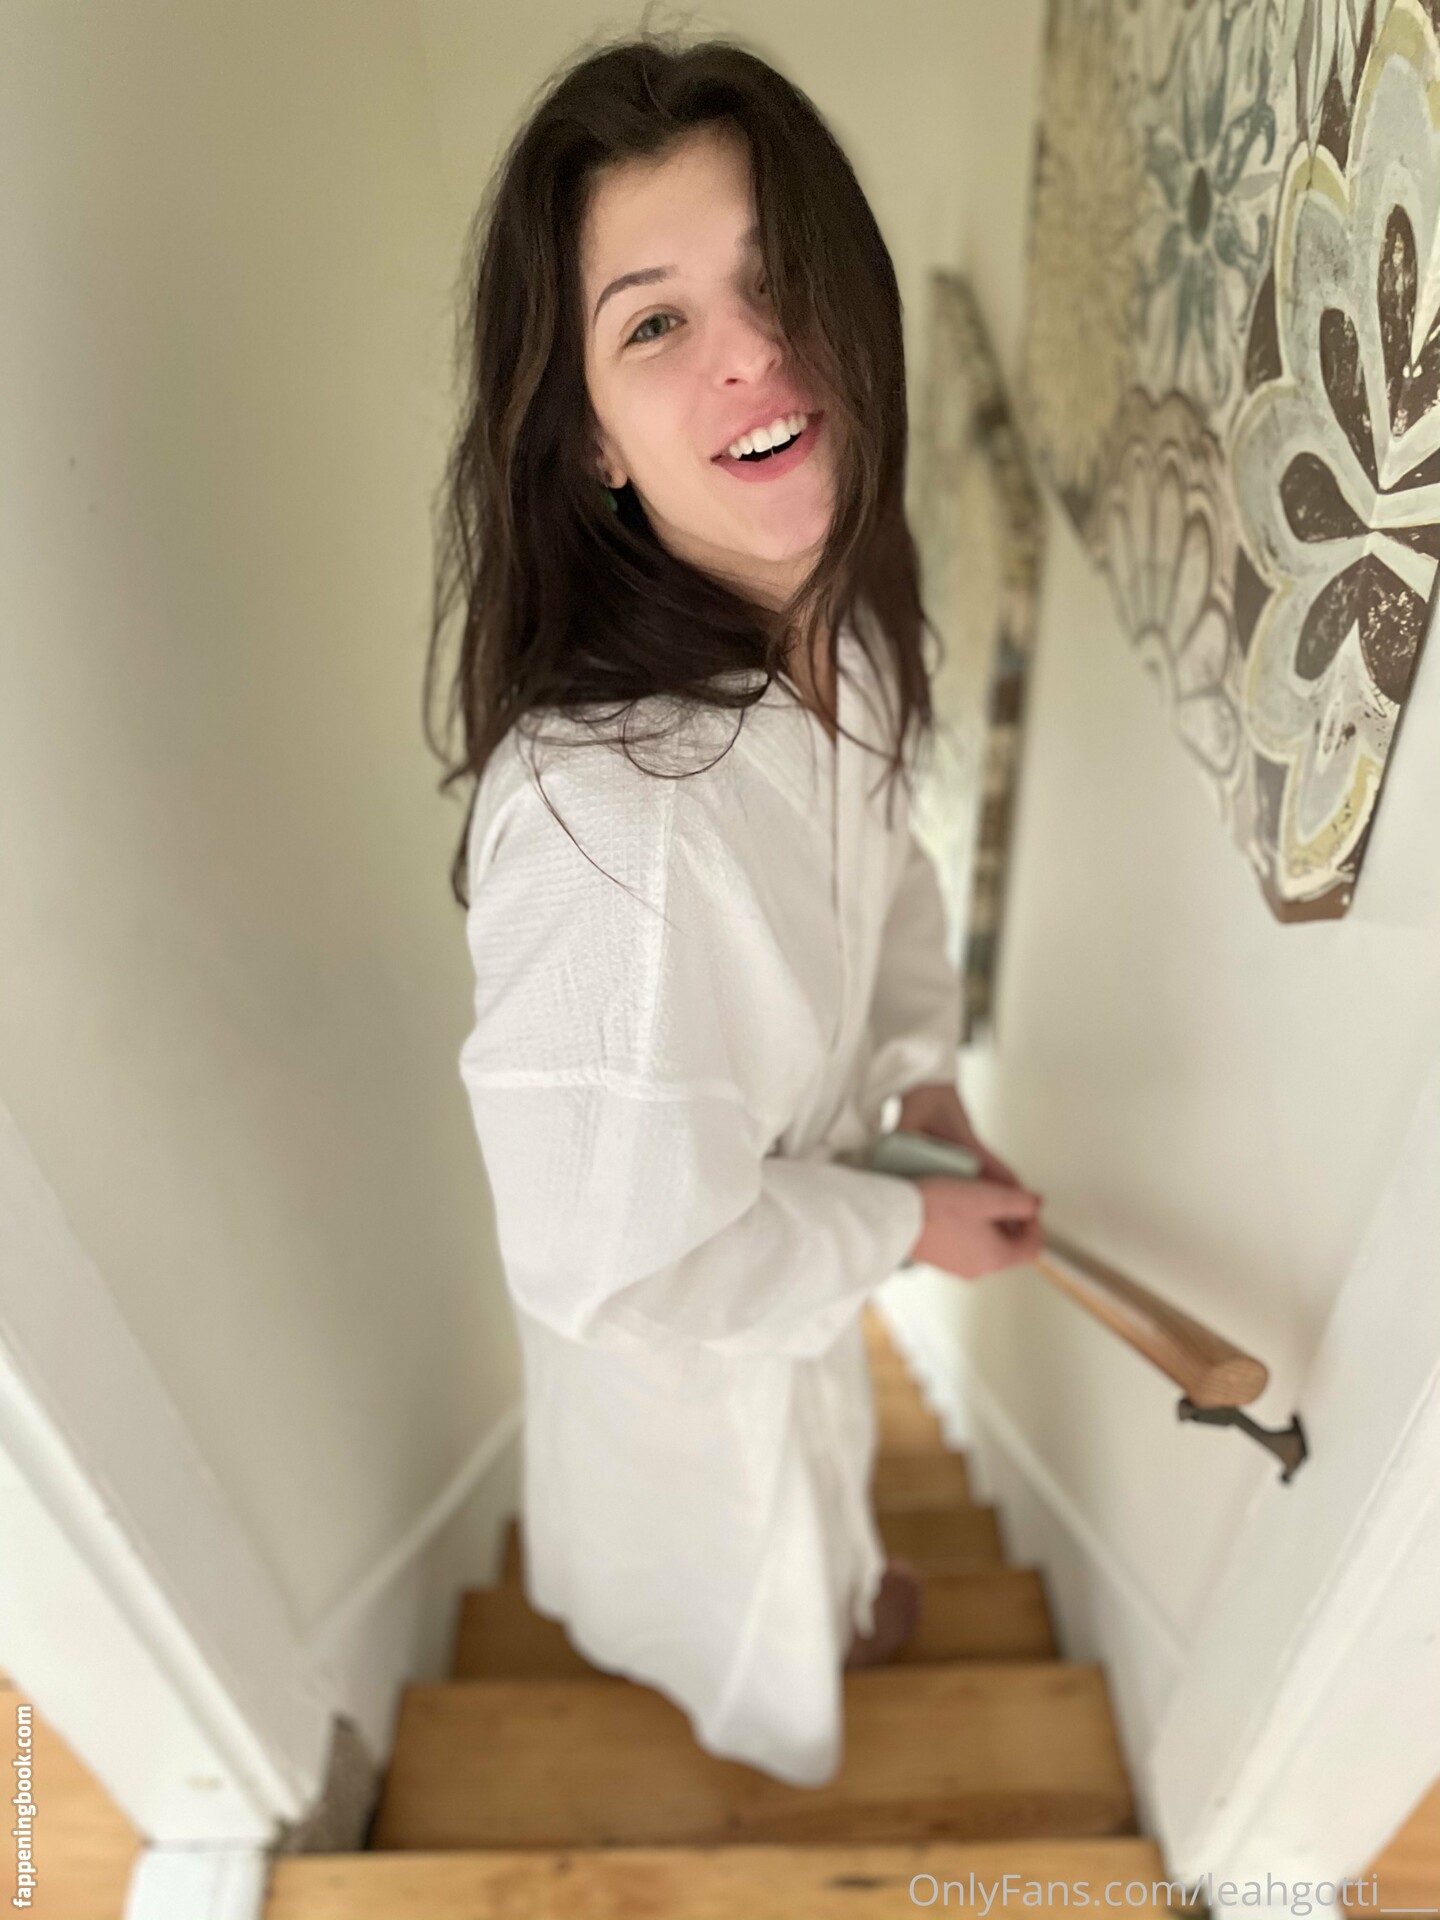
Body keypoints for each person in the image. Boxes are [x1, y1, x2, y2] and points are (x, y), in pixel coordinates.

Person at [424, 30, 1046, 1790]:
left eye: (777, 281)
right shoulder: (614, 827)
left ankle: (838, 1590)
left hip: (805, 1242)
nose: (754, 354)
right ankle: (756, 1688)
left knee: (823, 1454)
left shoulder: (843, 618)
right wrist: (898, 1230)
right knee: (719, 1568)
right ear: (591, 447)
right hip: (690, 1353)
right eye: (655, 325)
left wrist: (919, 1081)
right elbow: (623, 1272)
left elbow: (890, 868)